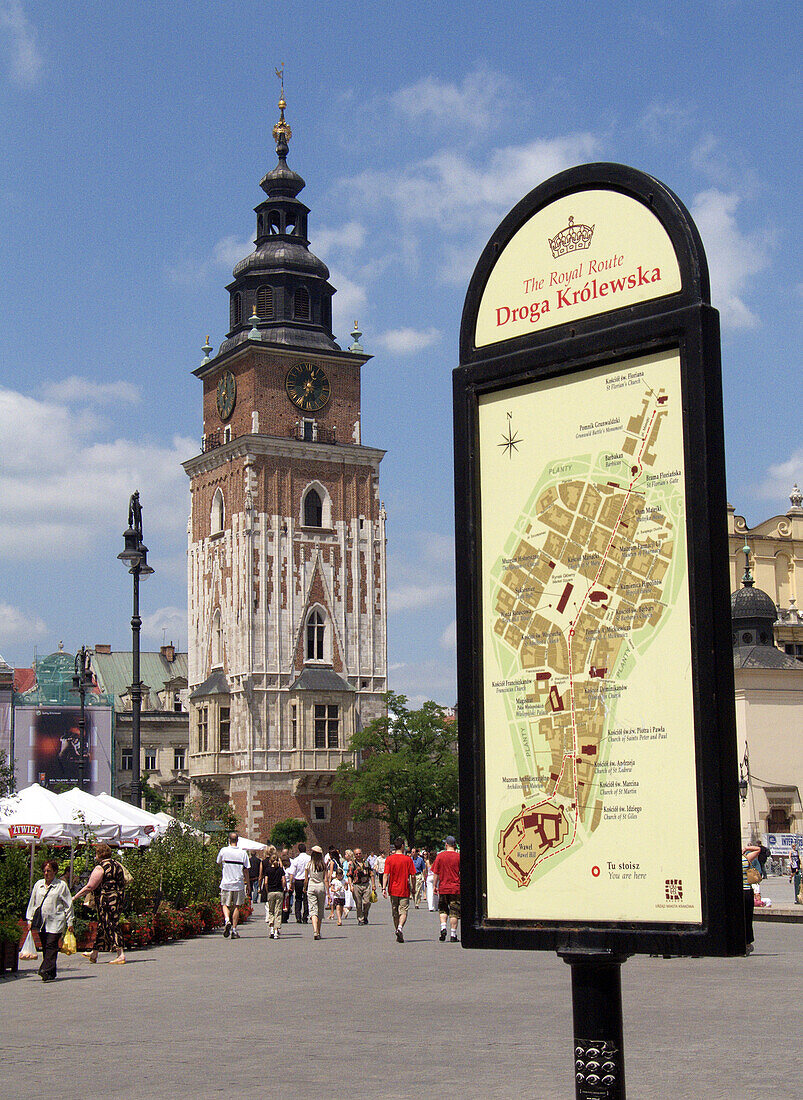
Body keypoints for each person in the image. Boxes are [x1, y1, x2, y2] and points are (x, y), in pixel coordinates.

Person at [73, 843, 127, 964]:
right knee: (103, 925)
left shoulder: (101, 867)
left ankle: (120, 953)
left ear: (99, 854)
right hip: (118, 897)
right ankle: (95, 952)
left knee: (111, 924)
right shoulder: (117, 865)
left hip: (106, 899)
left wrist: (75, 897)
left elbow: (90, 886)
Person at [26, 858, 74, 982]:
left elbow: (68, 904)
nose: (46, 873)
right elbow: (33, 903)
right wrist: (29, 919)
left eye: (49, 871)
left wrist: (70, 921)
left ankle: (44, 969)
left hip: (56, 920)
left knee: (51, 945)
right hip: (42, 921)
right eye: (45, 871)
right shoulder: (39, 884)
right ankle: (51, 973)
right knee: (45, 947)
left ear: (55, 872)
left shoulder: (61, 886)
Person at [216, 831, 250, 939]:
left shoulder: (224, 850)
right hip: (238, 883)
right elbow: (246, 870)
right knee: (236, 906)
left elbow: (218, 862)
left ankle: (227, 920)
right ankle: (234, 930)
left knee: (225, 904)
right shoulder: (243, 853)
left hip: (226, 882)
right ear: (238, 840)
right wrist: (248, 884)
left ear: (229, 840)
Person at [382, 837, 416, 943]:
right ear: (402, 846)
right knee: (404, 911)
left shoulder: (389, 859)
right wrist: (413, 888)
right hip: (404, 889)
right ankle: (400, 928)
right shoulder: (407, 859)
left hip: (393, 889)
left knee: (395, 912)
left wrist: (383, 888)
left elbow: (386, 874)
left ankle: (397, 930)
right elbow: (413, 875)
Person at [431, 835, 461, 942]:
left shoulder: (440, 856)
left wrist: (434, 885)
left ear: (446, 844)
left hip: (443, 887)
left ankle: (443, 927)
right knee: (454, 911)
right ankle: (453, 934)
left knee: (443, 909)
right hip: (455, 887)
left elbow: (436, 873)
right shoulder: (458, 857)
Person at [261, 848, 286, 939]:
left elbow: (266, 882)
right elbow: (283, 881)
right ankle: (276, 931)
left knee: (271, 911)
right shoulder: (280, 870)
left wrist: (267, 890)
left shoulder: (267, 870)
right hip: (279, 891)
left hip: (271, 891)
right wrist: (283, 888)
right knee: (278, 911)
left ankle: (271, 929)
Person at [742, 842, 761, 955]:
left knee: (738, 918)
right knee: (748, 918)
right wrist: (746, 848)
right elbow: (758, 849)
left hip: (736, 893)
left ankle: (739, 941)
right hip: (747, 891)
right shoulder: (746, 858)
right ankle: (747, 942)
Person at [305, 845, 327, 939]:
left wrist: (304, 887)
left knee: (313, 910)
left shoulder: (309, 864)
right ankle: (319, 930)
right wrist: (328, 892)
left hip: (311, 886)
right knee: (320, 909)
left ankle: (315, 931)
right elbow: (325, 879)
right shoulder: (323, 864)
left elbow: (306, 878)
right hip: (321, 886)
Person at [349, 848, 375, 924]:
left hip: (366, 884)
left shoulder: (366, 863)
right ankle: (360, 919)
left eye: (359, 853)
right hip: (357, 885)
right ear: (354, 855)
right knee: (358, 903)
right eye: (356, 854)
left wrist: (373, 884)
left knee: (367, 902)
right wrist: (351, 886)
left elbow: (371, 874)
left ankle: (365, 915)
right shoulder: (353, 864)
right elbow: (349, 875)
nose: (358, 855)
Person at [290, 842, 311, 923]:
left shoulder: (296, 860)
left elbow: (292, 873)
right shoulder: (309, 859)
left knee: (298, 899)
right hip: (307, 879)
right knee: (306, 899)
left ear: (298, 850)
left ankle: (298, 916)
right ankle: (305, 916)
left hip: (298, 880)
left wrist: (291, 884)